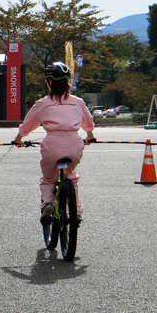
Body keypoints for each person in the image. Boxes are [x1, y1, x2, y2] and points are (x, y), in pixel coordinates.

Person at [13, 62, 95, 221]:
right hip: (75, 145)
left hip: (52, 145)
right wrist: (90, 135)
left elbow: (28, 124)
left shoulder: (42, 103)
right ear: (67, 82)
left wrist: (19, 139)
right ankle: (75, 210)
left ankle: (48, 204)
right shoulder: (78, 102)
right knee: (71, 177)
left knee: (49, 178)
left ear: (49, 82)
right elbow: (88, 122)